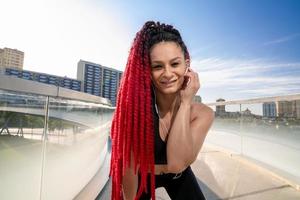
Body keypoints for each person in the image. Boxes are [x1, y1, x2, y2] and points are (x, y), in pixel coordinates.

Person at [110, 21, 214, 200]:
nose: (167, 73)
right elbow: (129, 168)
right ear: (147, 71)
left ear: (186, 65)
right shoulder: (135, 112)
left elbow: (176, 164)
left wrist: (186, 102)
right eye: (158, 66)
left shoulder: (202, 114)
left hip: (178, 175)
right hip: (141, 175)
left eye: (175, 64)